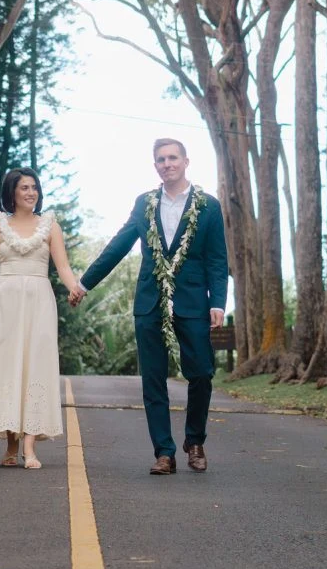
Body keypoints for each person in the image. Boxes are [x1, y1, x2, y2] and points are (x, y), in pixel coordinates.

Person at [69, 138, 228, 475]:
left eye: (172, 158)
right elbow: (118, 246)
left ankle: (194, 440)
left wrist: (219, 302)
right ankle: (164, 453)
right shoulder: (144, 204)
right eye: (160, 159)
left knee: (201, 372)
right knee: (153, 379)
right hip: (149, 302)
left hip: (194, 303)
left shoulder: (209, 206)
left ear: (186, 161)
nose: (166, 163)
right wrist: (84, 283)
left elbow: (217, 259)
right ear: (155, 165)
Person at [0, 167, 80, 469]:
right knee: (8, 368)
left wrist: (74, 288)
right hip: (4, 302)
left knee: (35, 367)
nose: (31, 192)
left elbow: (63, 268)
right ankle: (11, 444)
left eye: (34, 187)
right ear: (12, 192)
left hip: (38, 303)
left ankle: (30, 449)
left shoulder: (50, 226)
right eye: (24, 188)